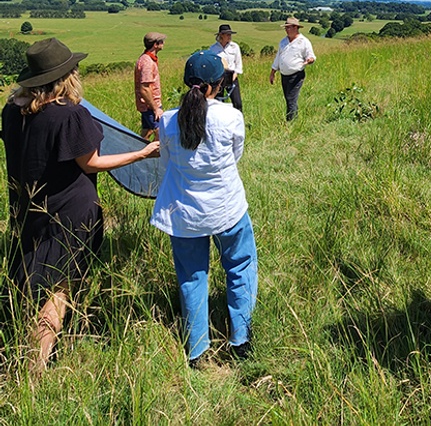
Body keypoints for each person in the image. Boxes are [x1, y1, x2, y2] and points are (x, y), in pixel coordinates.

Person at [1, 38, 159, 377]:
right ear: (65, 77)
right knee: (59, 288)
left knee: (27, 280)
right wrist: (142, 153)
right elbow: (92, 163)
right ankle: (35, 369)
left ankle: (17, 345)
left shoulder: (12, 110)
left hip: (27, 208)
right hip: (70, 215)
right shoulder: (70, 115)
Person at [151, 51, 257, 366]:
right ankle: (242, 339)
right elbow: (236, 155)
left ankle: (197, 349)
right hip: (228, 207)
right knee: (239, 267)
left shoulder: (168, 120)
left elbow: (166, 164)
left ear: (188, 84)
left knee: (192, 276)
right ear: (217, 84)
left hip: (184, 213)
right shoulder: (230, 116)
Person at [269, 17, 316, 121]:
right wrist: (273, 72)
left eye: (288, 27)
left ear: (295, 27)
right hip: (284, 75)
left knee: (291, 99)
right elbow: (278, 57)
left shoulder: (304, 41)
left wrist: (309, 60)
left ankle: (290, 123)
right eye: (285, 28)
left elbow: (311, 56)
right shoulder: (283, 42)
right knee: (289, 100)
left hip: (296, 75)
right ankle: (294, 119)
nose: (286, 29)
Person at [135, 32, 166, 138]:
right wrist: (156, 108)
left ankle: (137, 149)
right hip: (150, 106)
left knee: (146, 132)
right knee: (160, 134)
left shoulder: (146, 59)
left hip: (147, 105)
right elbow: (144, 89)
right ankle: (155, 155)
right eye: (161, 41)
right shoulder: (147, 62)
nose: (164, 43)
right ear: (155, 45)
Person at [208, 24, 244, 112]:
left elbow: (238, 64)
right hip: (218, 78)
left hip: (232, 76)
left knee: (237, 103)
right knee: (218, 102)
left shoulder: (235, 47)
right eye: (227, 34)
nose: (229, 36)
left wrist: (234, 75)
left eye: (230, 34)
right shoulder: (213, 49)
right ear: (221, 35)